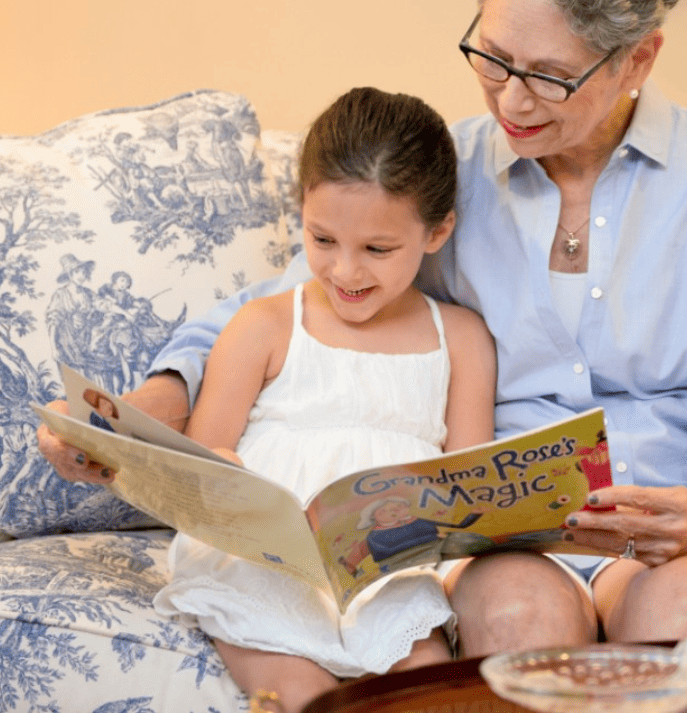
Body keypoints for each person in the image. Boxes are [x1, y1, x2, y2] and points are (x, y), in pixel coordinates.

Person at [40, 0, 687, 657]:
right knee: (518, 621)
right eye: (492, 57)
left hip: (678, 525)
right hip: (517, 538)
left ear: (638, 60)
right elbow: (281, 308)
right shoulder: (449, 171)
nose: (511, 101)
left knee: (675, 619)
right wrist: (134, 419)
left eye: (549, 76)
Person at [153, 88, 497, 712]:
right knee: (306, 698)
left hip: (392, 573)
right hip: (263, 566)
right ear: (301, 212)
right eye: (322, 239)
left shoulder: (462, 338)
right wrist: (234, 487)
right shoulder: (264, 325)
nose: (344, 271)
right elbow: (203, 461)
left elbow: (466, 484)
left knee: (424, 691)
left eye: (377, 249)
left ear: (437, 230)